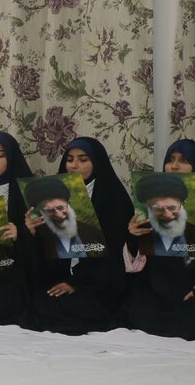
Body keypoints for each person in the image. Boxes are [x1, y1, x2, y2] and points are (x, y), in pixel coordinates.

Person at [23, 137, 128, 335]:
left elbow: (114, 257)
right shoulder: (52, 196)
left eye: (83, 159)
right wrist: (33, 232)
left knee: (79, 306)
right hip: (62, 277)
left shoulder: (112, 198)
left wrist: (76, 283)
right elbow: (49, 255)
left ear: (96, 163)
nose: (74, 165)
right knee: (38, 302)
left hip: (99, 284)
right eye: (70, 159)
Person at [123, 139, 195, 339]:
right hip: (159, 291)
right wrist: (134, 237)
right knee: (135, 307)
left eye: (184, 160)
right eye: (170, 160)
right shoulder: (151, 215)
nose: (174, 166)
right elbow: (141, 264)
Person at [22, 176, 105, 260]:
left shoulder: (93, 233)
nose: (59, 215)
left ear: (69, 204)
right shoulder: (37, 236)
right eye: (50, 211)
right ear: (41, 212)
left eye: (61, 208)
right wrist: (30, 235)